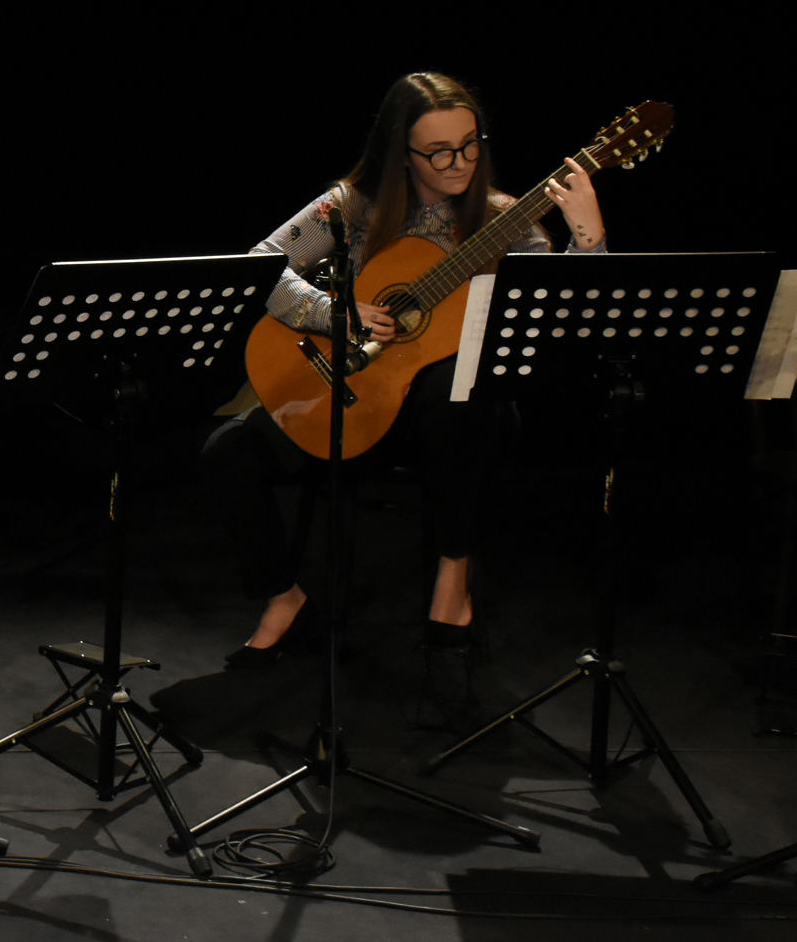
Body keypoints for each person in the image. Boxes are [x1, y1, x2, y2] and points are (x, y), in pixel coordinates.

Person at [202, 71, 606, 672]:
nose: (458, 163)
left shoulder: (505, 220)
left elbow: (560, 317)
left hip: (458, 422)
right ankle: (285, 599)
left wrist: (589, 234)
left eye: (469, 145)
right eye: (438, 151)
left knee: (453, 390)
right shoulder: (351, 207)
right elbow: (261, 264)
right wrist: (332, 313)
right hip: (364, 399)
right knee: (227, 452)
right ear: (402, 153)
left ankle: (454, 574)